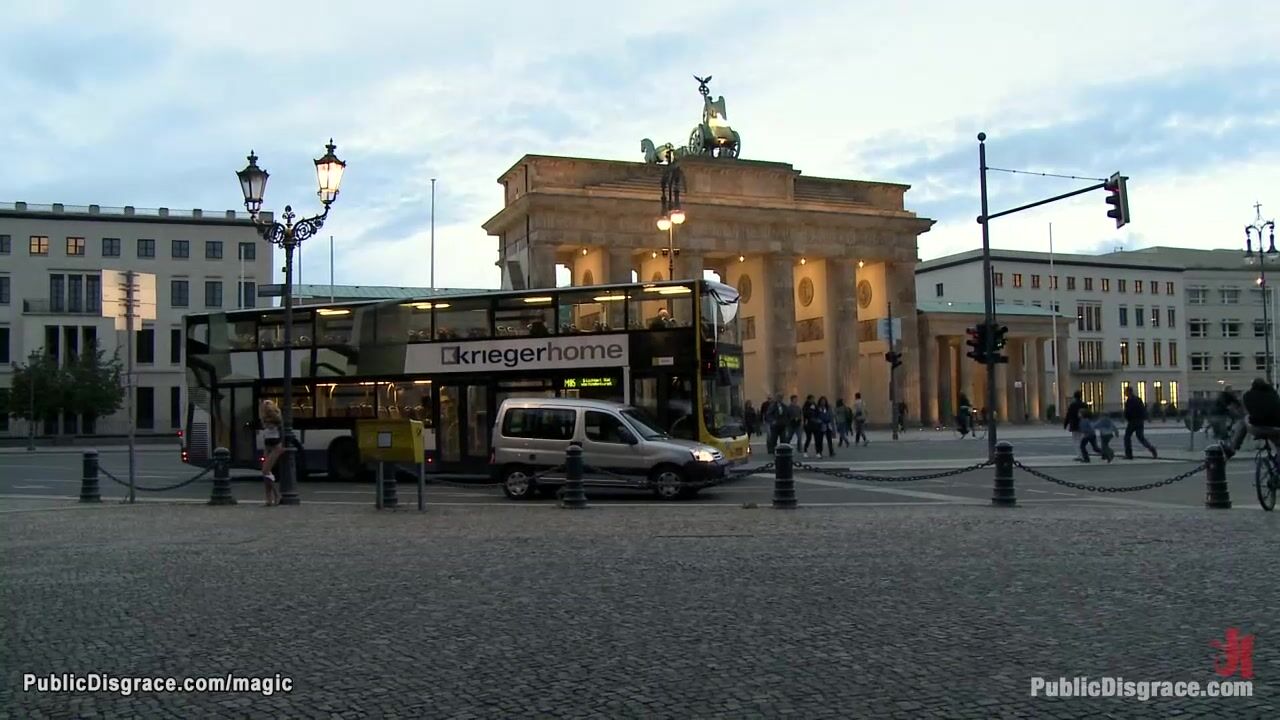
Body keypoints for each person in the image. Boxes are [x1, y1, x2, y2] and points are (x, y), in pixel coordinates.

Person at [1226, 378, 1280, 457]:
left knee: (1244, 421)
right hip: (1276, 428)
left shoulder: (1248, 395)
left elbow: (1246, 411)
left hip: (1257, 427)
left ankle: (1233, 447)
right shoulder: (1274, 394)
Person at [259, 399, 284, 506]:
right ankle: (269, 498)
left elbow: (280, 429)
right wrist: (265, 450)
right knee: (266, 473)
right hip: (268, 446)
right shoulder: (264, 418)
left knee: (265, 470)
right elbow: (265, 434)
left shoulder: (276, 417)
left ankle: (276, 494)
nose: (266, 408)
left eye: (267, 406)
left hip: (276, 446)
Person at [1123, 386, 1158, 459]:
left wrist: (1127, 417)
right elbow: (1143, 409)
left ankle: (1129, 454)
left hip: (1133, 421)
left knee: (1127, 437)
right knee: (1141, 437)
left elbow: (1128, 411)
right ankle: (1152, 449)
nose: (1125, 393)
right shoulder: (1138, 399)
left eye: (1126, 392)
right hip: (1139, 421)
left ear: (1129, 392)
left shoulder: (1130, 401)